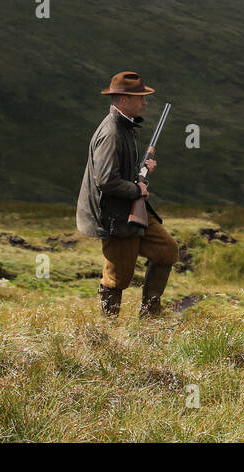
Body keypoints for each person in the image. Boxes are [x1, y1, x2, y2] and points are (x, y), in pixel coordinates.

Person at [75, 71, 178, 317]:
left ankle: (150, 319)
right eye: (140, 97)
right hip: (113, 215)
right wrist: (137, 188)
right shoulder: (111, 133)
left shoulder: (124, 126)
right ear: (123, 99)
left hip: (128, 209)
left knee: (167, 251)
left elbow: (119, 173)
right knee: (118, 277)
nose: (145, 102)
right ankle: (106, 330)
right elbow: (106, 180)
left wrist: (143, 172)